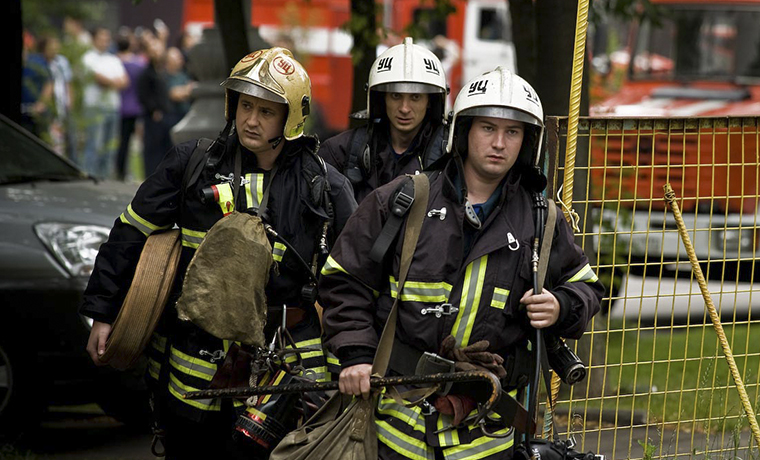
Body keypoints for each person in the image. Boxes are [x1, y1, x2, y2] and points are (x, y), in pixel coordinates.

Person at [81, 47, 357, 459]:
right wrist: (103, 311)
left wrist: (353, 357)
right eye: (246, 105)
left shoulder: (325, 187)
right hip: (194, 361)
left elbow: (353, 281)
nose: (251, 120)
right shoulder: (192, 165)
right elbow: (129, 234)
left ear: (290, 119)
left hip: (287, 365)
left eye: (266, 111)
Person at [318, 67, 604, 459]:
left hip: (487, 436)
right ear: (463, 131)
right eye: (488, 128)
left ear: (529, 141)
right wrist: (356, 355)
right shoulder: (402, 201)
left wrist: (561, 305)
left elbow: (586, 287)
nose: (499, 143)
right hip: (395, 424)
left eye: (513, 132)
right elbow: (344, 280)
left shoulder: (542, 220)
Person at [319, 37, 449, 204]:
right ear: (382, 98)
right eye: (396, 96)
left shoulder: (449, 155)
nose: (404, 108)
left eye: (415, 97)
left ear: (430, 101)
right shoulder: (342, 151)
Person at [81, 27, 128, 178]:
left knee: (110, 146)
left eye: (107, 39)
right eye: (102, 38)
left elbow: (125, 81)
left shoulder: (113, 59)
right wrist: (114, 82)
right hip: (95, 107)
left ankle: (105, 179)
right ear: (94, 39)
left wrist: (110, 82)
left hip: (112, 107)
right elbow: (98, 78)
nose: (105, 42)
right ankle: (90, 177)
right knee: (94, 145)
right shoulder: (88, 58)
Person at [116, 31, 147, 180]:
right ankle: (137, 171)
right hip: (137, 107)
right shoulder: (139, 63)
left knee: (122, 142)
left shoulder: (115, 62)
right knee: (139, 143)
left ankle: (120, 171)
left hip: (121, 107)